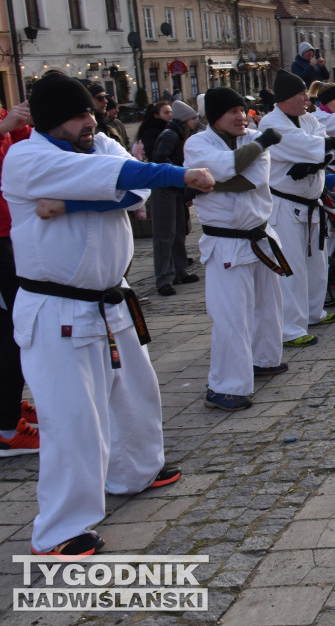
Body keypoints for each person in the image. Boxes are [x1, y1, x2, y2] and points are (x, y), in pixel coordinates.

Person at [2, 73, 214, 555]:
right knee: (74, 420)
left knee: (136, 394)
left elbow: (131, 195)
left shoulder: (98, 143)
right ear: (54, 120)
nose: (90, 120)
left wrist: (69, 205)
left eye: (91, 112)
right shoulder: (27, 158)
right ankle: (59, 529)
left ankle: (135, 471)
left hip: (112, 298)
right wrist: (180, 175)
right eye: (79, 115)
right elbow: (128, 180)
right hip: (56, 307)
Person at [184, 86, 288, 412]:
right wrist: (252, 151)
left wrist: (210, 181)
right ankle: (226, 385)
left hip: (258, 234)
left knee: (268, 307)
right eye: (232, 111)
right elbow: (231, 168)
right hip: (225, 240)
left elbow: (251, 179)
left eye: (242, 109)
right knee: (231, 316)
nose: (240, 116)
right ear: (214, 116)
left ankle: (265, 359)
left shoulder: (253, 138)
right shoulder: (198, 143)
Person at [261, 70, 335, 346]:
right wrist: (319, 150)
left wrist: (315, 161)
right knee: (292, 266)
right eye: (300, 95)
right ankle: (290, 328)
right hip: (285, 204)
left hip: (312, 201)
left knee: (316, 262)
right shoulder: (270, 123)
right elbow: (298, 145)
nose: (305, 99)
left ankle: (313, 311)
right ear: (286, 98)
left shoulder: (309, 118)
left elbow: (320, 145)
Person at [0, 100, 36, 457]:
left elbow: (22, 140)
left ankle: (10, 403)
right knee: (9, 332)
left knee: (18, 324)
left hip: (11, 228)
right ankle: (7, 427)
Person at [151, 101, 200, 296]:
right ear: (185, 120)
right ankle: (164, 279)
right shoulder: (170, 135)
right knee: (165, 234)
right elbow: (160, 158)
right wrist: (180, 173)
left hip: (176, 187)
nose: (195, 122)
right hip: (164, 188)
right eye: (193, 118)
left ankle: (179, 270)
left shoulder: (178, 134)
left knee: (179, 230)